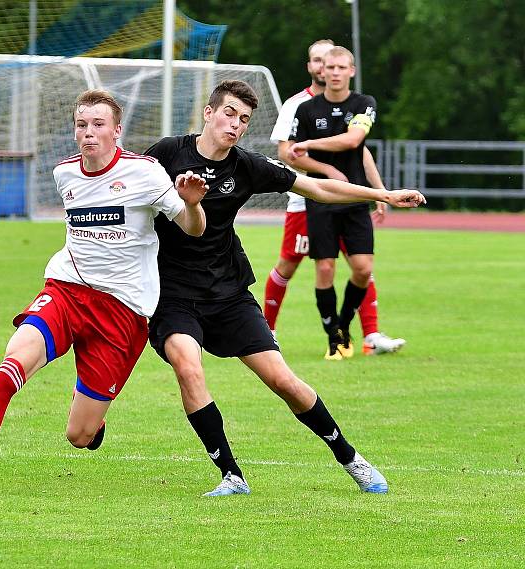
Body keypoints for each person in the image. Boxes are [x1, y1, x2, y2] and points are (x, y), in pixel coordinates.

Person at [0, 89, 209, 493]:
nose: (89, 133)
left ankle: (93, 421)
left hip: (123, 312)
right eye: (82, 125)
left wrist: (192, 205)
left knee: (79, 435)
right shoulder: (65, 173)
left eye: (98, 125)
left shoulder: (146, 173)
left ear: (117, 131)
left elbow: (195, 228)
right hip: (66, 292)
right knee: (12, 364)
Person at [144, 79, 424, 496]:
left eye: (244, 119)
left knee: (283, 381)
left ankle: (351, 458)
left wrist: (381, 194)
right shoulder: (167, 153)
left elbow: (318, 187)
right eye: (228, 114)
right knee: (188, 366)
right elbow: (124, 187)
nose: (235, 125)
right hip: (172, 296)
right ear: (208, 112)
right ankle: (231, 476)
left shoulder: (246, 165)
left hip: (228, 293)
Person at [265, 39, 405, 356]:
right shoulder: (296, 105)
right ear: (313, 67)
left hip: (351, 196)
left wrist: (378, 189)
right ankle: (266, 331)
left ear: (347, 69)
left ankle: (370, 335)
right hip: (307, 199)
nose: (324, 67)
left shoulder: (356, 103)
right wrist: (325, 170)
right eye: (319, 61)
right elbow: (287, 153)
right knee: (294, 263)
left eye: (332, 62)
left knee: (361, 264)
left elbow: (359, 147)